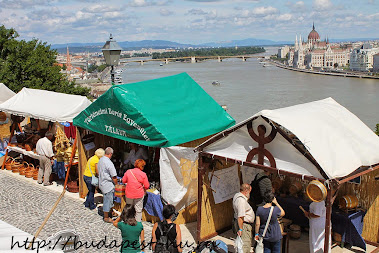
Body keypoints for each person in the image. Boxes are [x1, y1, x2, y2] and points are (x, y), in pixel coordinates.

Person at [233, 183, 254, 253]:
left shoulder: (237, 195)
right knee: (245, 245)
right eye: (249, 192)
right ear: (246, 191)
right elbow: (240, 216)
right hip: (244, 225)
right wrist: (241, 229)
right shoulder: (241, 201)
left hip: (243, 224)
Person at [98, 147, 117, 223]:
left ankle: (111, 212)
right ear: (110, 154)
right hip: (107, 184)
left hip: (102, 182)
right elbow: (114, 176)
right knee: (107, 200)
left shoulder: (101, 160)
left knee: (110, 199)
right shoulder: (109, 163)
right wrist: (117, 184)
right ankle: (106, 217)